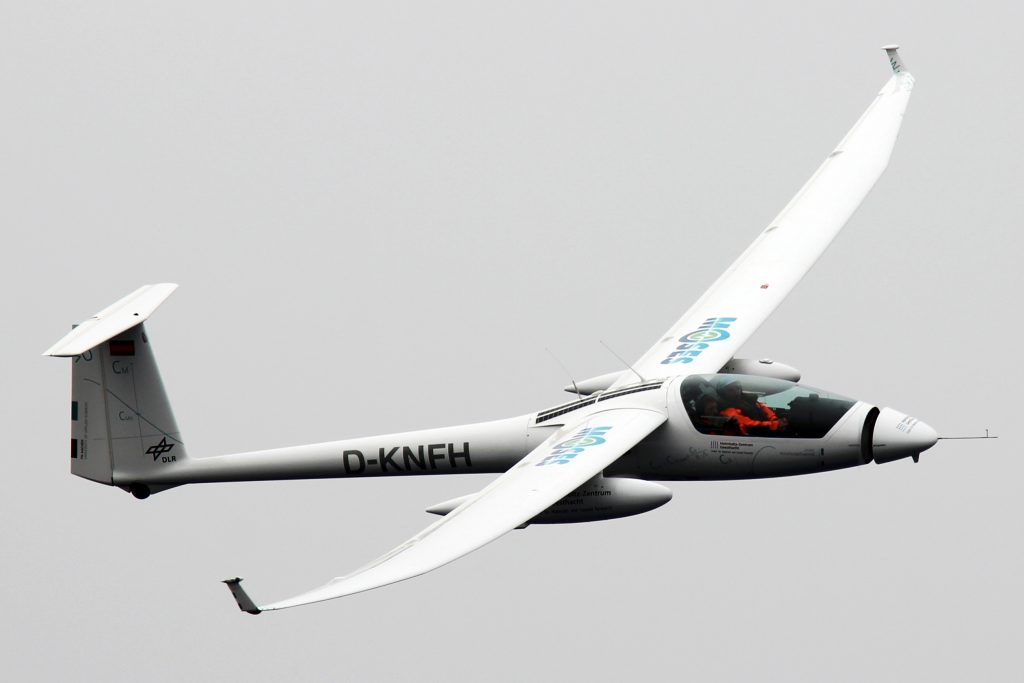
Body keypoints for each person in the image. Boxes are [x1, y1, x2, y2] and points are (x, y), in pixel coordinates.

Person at [717, 379, 785, 436]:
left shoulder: (749, 400)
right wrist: (776, 425)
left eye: (737, 388)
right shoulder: (727, 410)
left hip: (767, 431)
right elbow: (750, 425)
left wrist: (775, 420)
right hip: (754, 438)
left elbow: (764, 409)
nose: (736, 392)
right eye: (730, 390)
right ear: (723, 393)